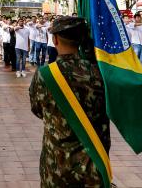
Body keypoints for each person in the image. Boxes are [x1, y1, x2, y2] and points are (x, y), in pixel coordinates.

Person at [29, 16, 110, 187]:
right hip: (93, 163)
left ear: (55, 39)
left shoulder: (45, 74)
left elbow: (37, 109)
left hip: (56, 164)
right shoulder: (100, 73)